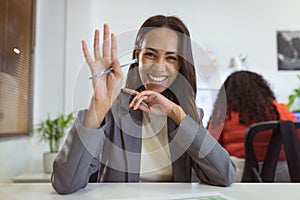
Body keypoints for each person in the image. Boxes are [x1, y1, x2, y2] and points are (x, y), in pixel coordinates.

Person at [51, 15, 236, 194]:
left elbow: (225, 175)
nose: (158, 66)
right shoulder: (111, 111)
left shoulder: (185, 115)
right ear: (137, 57)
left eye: (171, 58)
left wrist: (175, 113)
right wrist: (98, 106)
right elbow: (65, 183)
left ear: (180, 65)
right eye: (150, 55)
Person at [207, 70, 297, 182]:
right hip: (283, 172)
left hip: (241, 173)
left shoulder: (224, 114)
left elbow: (210, 149)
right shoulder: (281, 110)